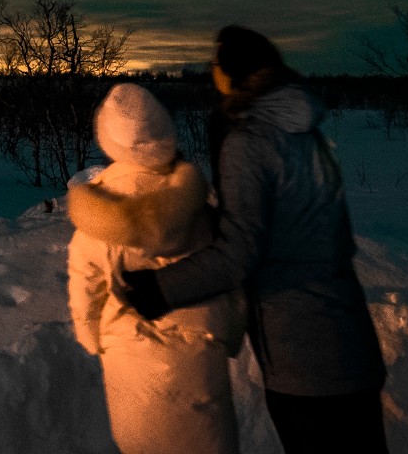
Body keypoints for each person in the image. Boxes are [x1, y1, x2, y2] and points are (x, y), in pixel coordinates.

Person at [117, 27, 388, 454]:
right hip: (351, 341)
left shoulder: (249, 141)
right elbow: (294, 224)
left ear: (231, 73)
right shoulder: (306, 132)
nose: (210, 71)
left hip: (305, 357)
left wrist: (159, 289)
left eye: (215, 63)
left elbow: (238, 253)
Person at [68, 83, 245, 454]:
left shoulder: (100, 206)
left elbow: (86, 282)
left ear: (109, 140)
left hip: (128, 352)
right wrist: (230, 332)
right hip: (200, 350)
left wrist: (90, 336)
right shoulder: (199, 200)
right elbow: (228, 271)